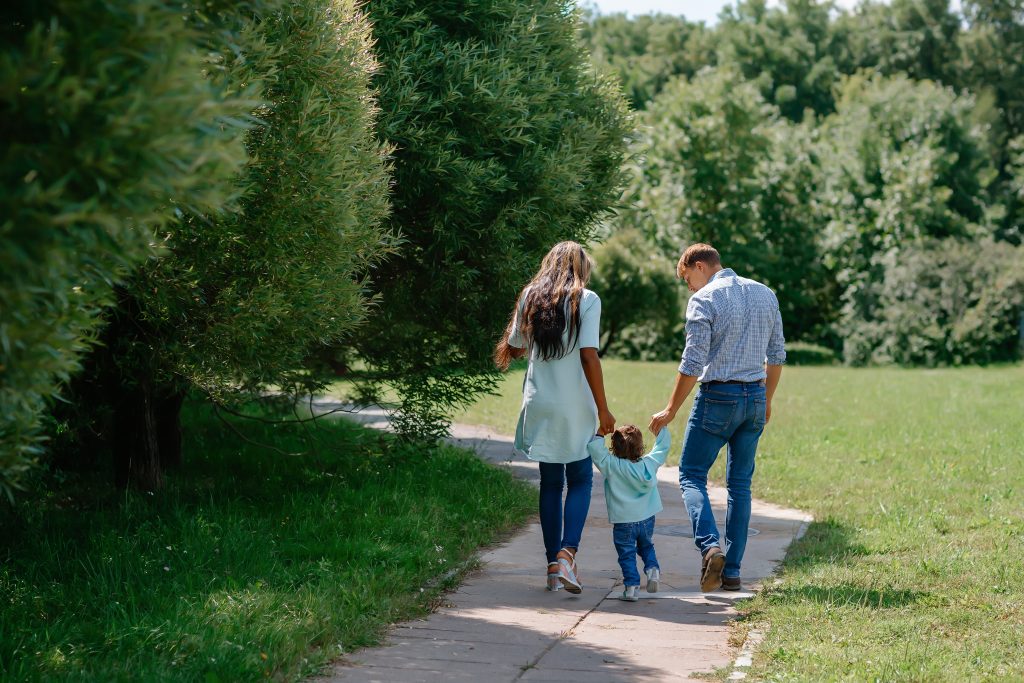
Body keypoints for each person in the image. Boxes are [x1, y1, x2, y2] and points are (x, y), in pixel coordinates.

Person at [649, 243, 785, 593]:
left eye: (687, 279)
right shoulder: (765, 293)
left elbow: (693, 364)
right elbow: (777, 354)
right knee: (740, 486)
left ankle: (710, 547)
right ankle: (733, 571)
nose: (689, 288)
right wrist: (766, 400)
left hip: (718, 398)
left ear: (699, 265)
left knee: (691, 474)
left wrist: (670, 409)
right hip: (754, 396)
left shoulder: (704, 299)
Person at [495, 241, 616, 594]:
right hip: (574, 404)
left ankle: (552, 566)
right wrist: (604, 409)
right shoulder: (586, 299)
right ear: (581, 269)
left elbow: (515, 345)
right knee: (580, 479)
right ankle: (567, 554)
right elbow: (589, 357)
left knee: (551, 483)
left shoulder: (531, 296)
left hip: (540, 401)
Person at [587, 424, 671, 601]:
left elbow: (596, 452)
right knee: (646, 546)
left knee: (627, 554)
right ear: (640, 447)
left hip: (624, 520)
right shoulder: (649, 464)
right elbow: (662, 449)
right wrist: (661, 430)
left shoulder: (611, 465)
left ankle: (631, 588)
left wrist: (601, 432)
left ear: (614, 448)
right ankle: (653, 570)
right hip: (647, 518)